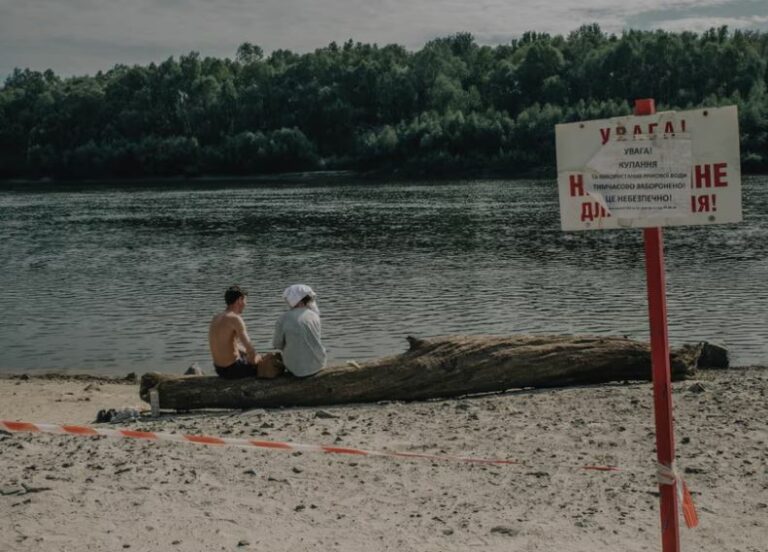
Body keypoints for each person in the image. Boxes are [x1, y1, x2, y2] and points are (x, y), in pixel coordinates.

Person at [208, 285, 263, 379]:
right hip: (234, 370)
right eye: (245, 300)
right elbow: (251, 350)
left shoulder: (216, 317)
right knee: (267, 362)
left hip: (219, 369)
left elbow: (231, 344)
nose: (246, 304)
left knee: (246, 354)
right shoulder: (235, 319)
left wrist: (246, 354)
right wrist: (258, 360)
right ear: (239, 300)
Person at [272, 284, 327, 378]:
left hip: (294, 369)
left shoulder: (283, 318)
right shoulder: (315, 316)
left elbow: (277, 344)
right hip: (318, 364)